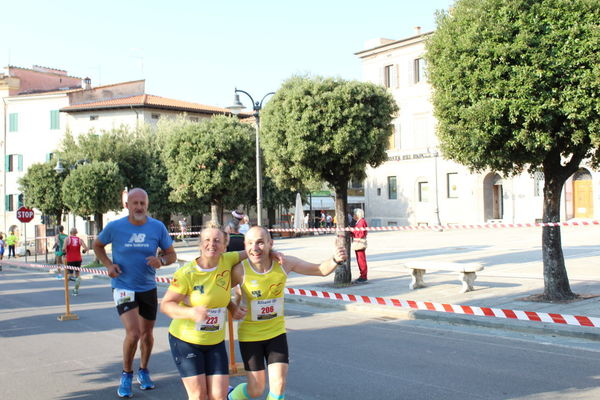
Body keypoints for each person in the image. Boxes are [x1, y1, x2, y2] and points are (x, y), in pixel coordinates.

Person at [228, 226, 347, 400]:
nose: (255, 248)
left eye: (261, 242)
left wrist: (336, 260)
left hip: (276, 334)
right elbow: (219, 291)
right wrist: (233, 306)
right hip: (250, 336)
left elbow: (319, 270)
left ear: (270, 243)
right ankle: (231, 396)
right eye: (250, 243)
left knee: (279, 386)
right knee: (256, 390)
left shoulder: (284, 263)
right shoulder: (240, 270)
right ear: (245, 246)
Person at [93, 188, 177, 398]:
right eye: (135, 203)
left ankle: (144, 371)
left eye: (142, 203)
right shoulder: (115, 227)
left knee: (147, 334)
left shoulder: (157, 227)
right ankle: (126, 374)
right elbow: (97, 245)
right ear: (127, 205)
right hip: (123, 286)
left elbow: (172, 255)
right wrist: (108, 265)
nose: (139, 207)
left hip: (147, 286)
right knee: (134, 333)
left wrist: (162, 261)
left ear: (147, 205)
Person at [160, 223, 248, 400]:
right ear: (200, 244)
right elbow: (166, 305)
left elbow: (254, 251)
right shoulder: (187, 273)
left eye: (217, 240)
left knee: (219, 395)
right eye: (207, 240)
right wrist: (191, 313)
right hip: (186, 341)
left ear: (225, 245)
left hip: (214, 341)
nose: (212, 244)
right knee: (199, 395)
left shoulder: (228, 260)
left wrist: (232, 307)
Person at [63, 227, 89, 296]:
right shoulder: (80, 240)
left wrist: (64, 253)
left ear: (70, 233)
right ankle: (75, 290)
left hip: (70, 259)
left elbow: (63, 248)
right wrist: (84, 251)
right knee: (77, 275)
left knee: (70, 276)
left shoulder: (67, 239)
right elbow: (86, 248)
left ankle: (74, 281)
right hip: (78, 259)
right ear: (76, 233)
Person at [351, 208, 368, 284]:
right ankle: (362, 275)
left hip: (360, 242)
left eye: (354, 214)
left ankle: (363, 276)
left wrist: (352, 231)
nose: (353, 215)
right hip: (358, 242)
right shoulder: (359, 222)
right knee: (359, 260)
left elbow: (360, 233)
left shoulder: (362, 222)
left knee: (361, 260)